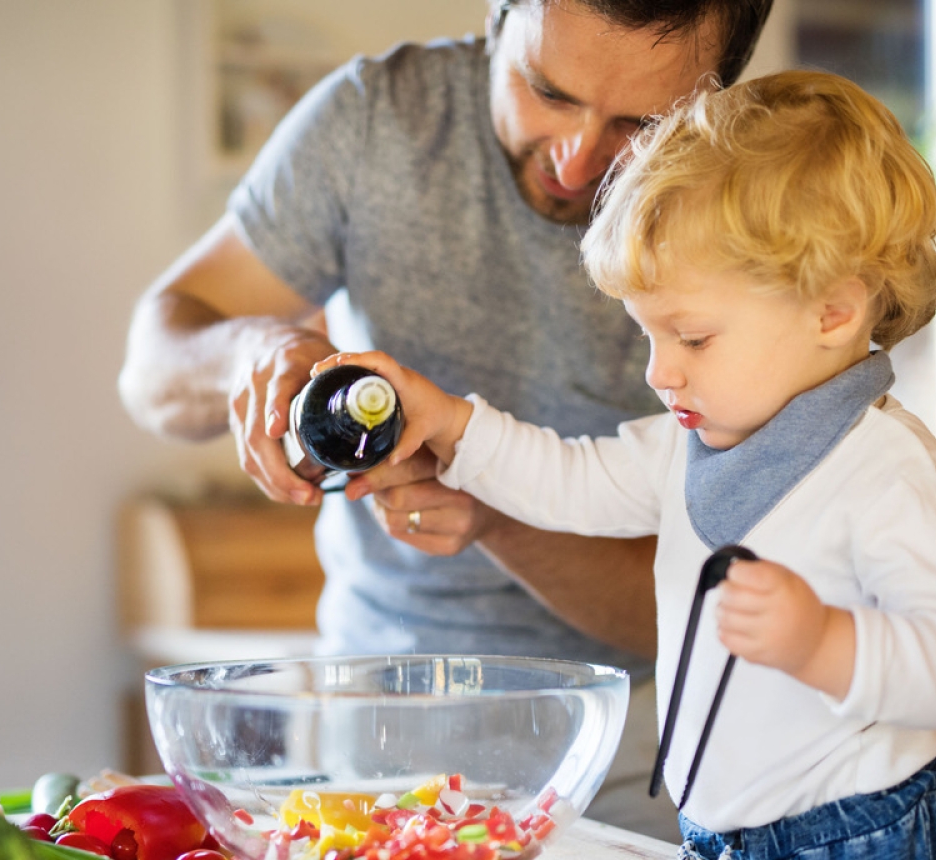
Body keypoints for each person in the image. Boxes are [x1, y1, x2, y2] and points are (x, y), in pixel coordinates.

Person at [118, 0, 773, 841]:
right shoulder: (375, 121)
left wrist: (493, 509)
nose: (577, 161)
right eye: (548, 91)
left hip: (642, 741)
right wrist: (250, 353)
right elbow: (150, 369)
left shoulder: (752, 205)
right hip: (368, 722)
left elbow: (703, 612)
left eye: (642, 124)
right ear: (499, 19)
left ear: (719, 94)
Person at [315, 70, 936, 859]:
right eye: (650, 336)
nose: (658, 371)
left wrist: (825, 642)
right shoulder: (688, 445)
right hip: (721, 836)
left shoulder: (893, 476)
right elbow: (565, 481)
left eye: (694, 337)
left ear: (833, 311)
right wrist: (448, 422)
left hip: (867, 837)